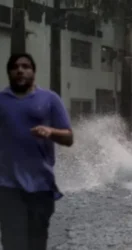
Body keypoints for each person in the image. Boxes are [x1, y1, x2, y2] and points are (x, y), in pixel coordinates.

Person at [0, 53, 74, 250]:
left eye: (26, 66)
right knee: (12, 243)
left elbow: (69, 137)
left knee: (36, 243)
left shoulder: (50, 99)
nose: (20, 70)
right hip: (7, 187)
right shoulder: (1, 101)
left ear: (33, 72)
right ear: (9, 72)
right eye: (15, 67)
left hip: (41, 187)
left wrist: (50, 132)